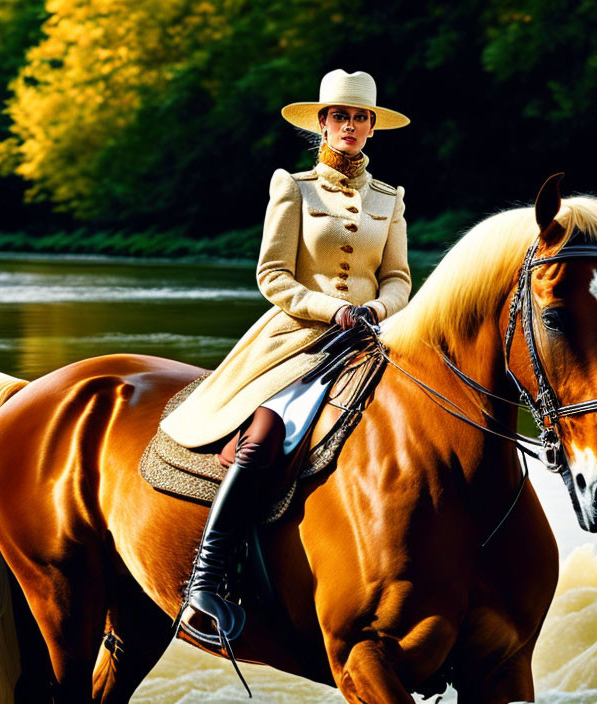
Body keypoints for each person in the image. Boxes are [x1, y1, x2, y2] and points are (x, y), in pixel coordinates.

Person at [160, 68, 412, 645]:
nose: (350, 126)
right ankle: (207, 577)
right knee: (267, 433)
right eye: (340, 116)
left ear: (372, 128)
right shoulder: (294, 187)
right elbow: (271, 275)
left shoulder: (390, 200)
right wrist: (331, 311)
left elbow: (398, 278)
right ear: (323, 123)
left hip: (371, 338)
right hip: (298, 338)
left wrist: (376, 311)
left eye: (360, 118)